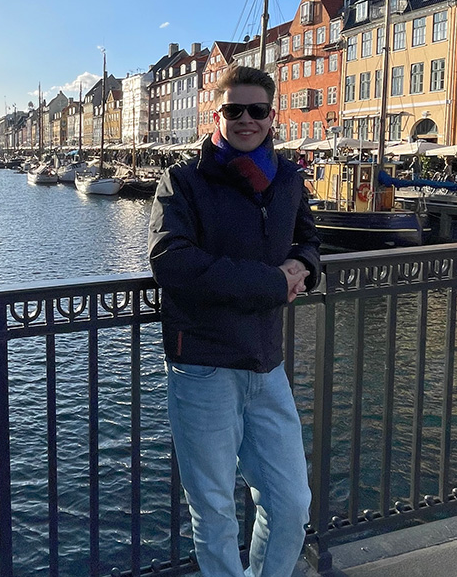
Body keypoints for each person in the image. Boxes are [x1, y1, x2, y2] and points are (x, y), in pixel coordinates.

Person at [148, 65, 321, 577]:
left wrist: (303, 266)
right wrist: (273, 283)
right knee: (215, 510)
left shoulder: (286, 178)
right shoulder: (183, 180)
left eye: (257, 110)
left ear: (272, 115)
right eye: (234, 110)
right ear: (217, 113)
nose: (246, 120)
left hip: (266, 364)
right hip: (202, 363)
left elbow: (308, 241)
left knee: (291, 504)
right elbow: (171, 261)